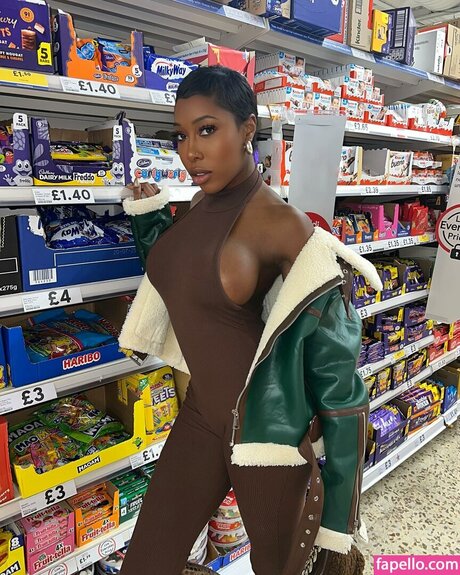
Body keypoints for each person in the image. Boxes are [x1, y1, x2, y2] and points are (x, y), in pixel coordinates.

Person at [119, 66, 382, 575]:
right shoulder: (196, 208)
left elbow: (343, 394)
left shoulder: (283, 227)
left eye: (207, 129)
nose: (190, 152)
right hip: (201, 419)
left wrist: (338, 527)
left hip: (267, 439)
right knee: (146, 562)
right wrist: (149, 217)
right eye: (181, 135)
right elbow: (181, 284)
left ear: (247, 129)